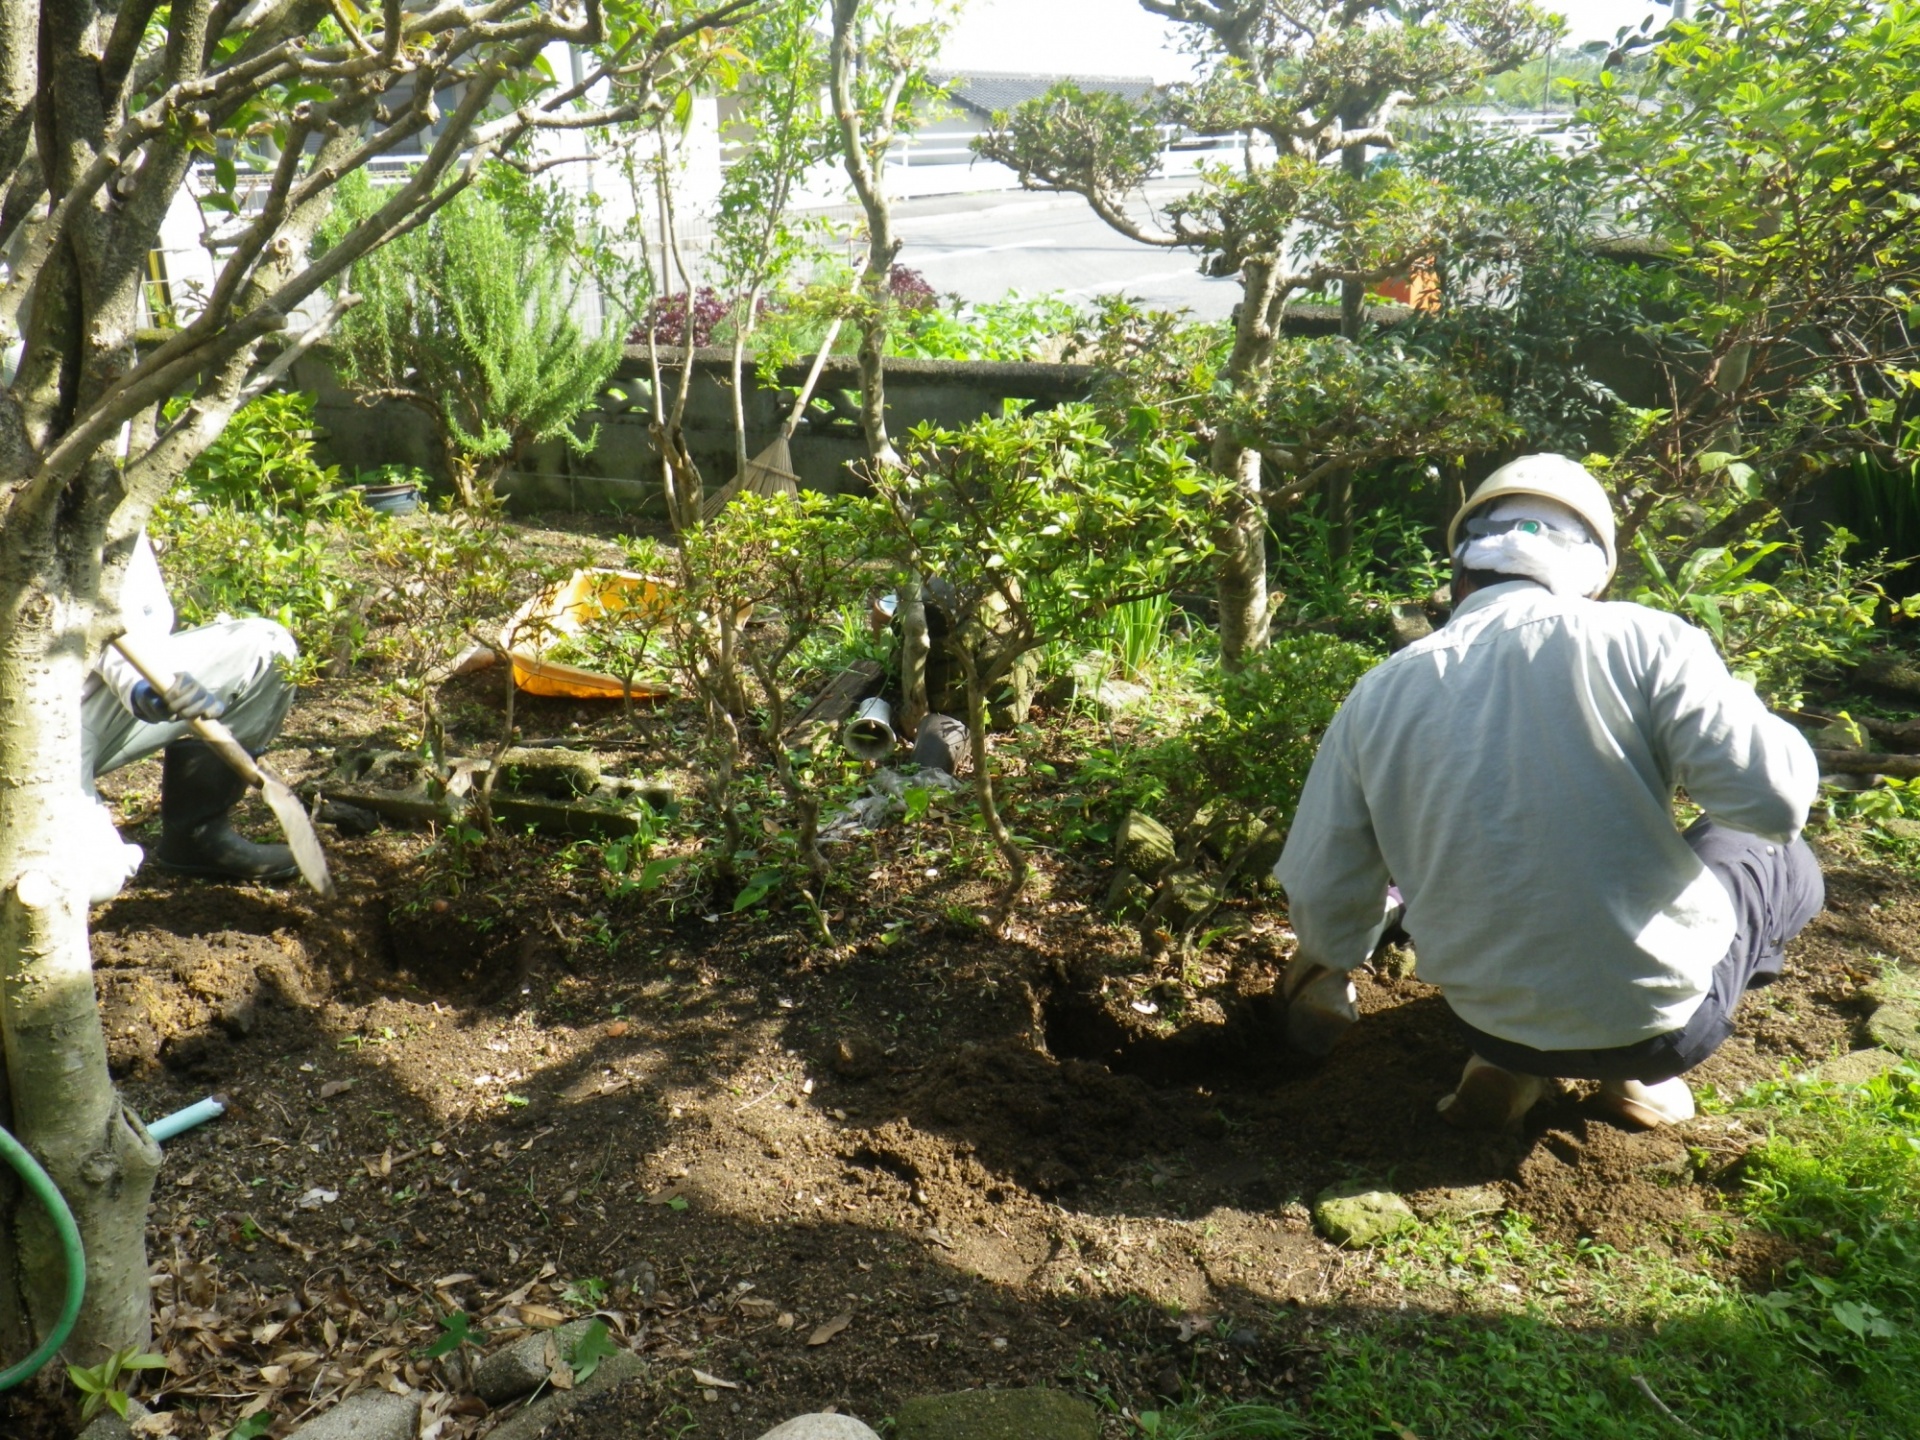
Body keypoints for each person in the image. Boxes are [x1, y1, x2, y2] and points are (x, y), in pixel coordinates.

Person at [1273, 454, 1824, 1130]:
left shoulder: (1379, 692)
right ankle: (1640, 1077)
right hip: (1658, 1026)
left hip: (1486, 1023)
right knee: (1775, 852)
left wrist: (1331, 959)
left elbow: (1326, 898)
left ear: (1461, 570)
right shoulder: (1647, 640)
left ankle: (1509, 1065)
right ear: (1592, 572)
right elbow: (1773, 803)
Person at [83, 531, 302, 904]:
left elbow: (113, 618)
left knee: (266, 649)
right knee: (94, 878)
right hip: (25, 730)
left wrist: (149, 682)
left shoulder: (113, 500)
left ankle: (198, 837)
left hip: (92, 693)